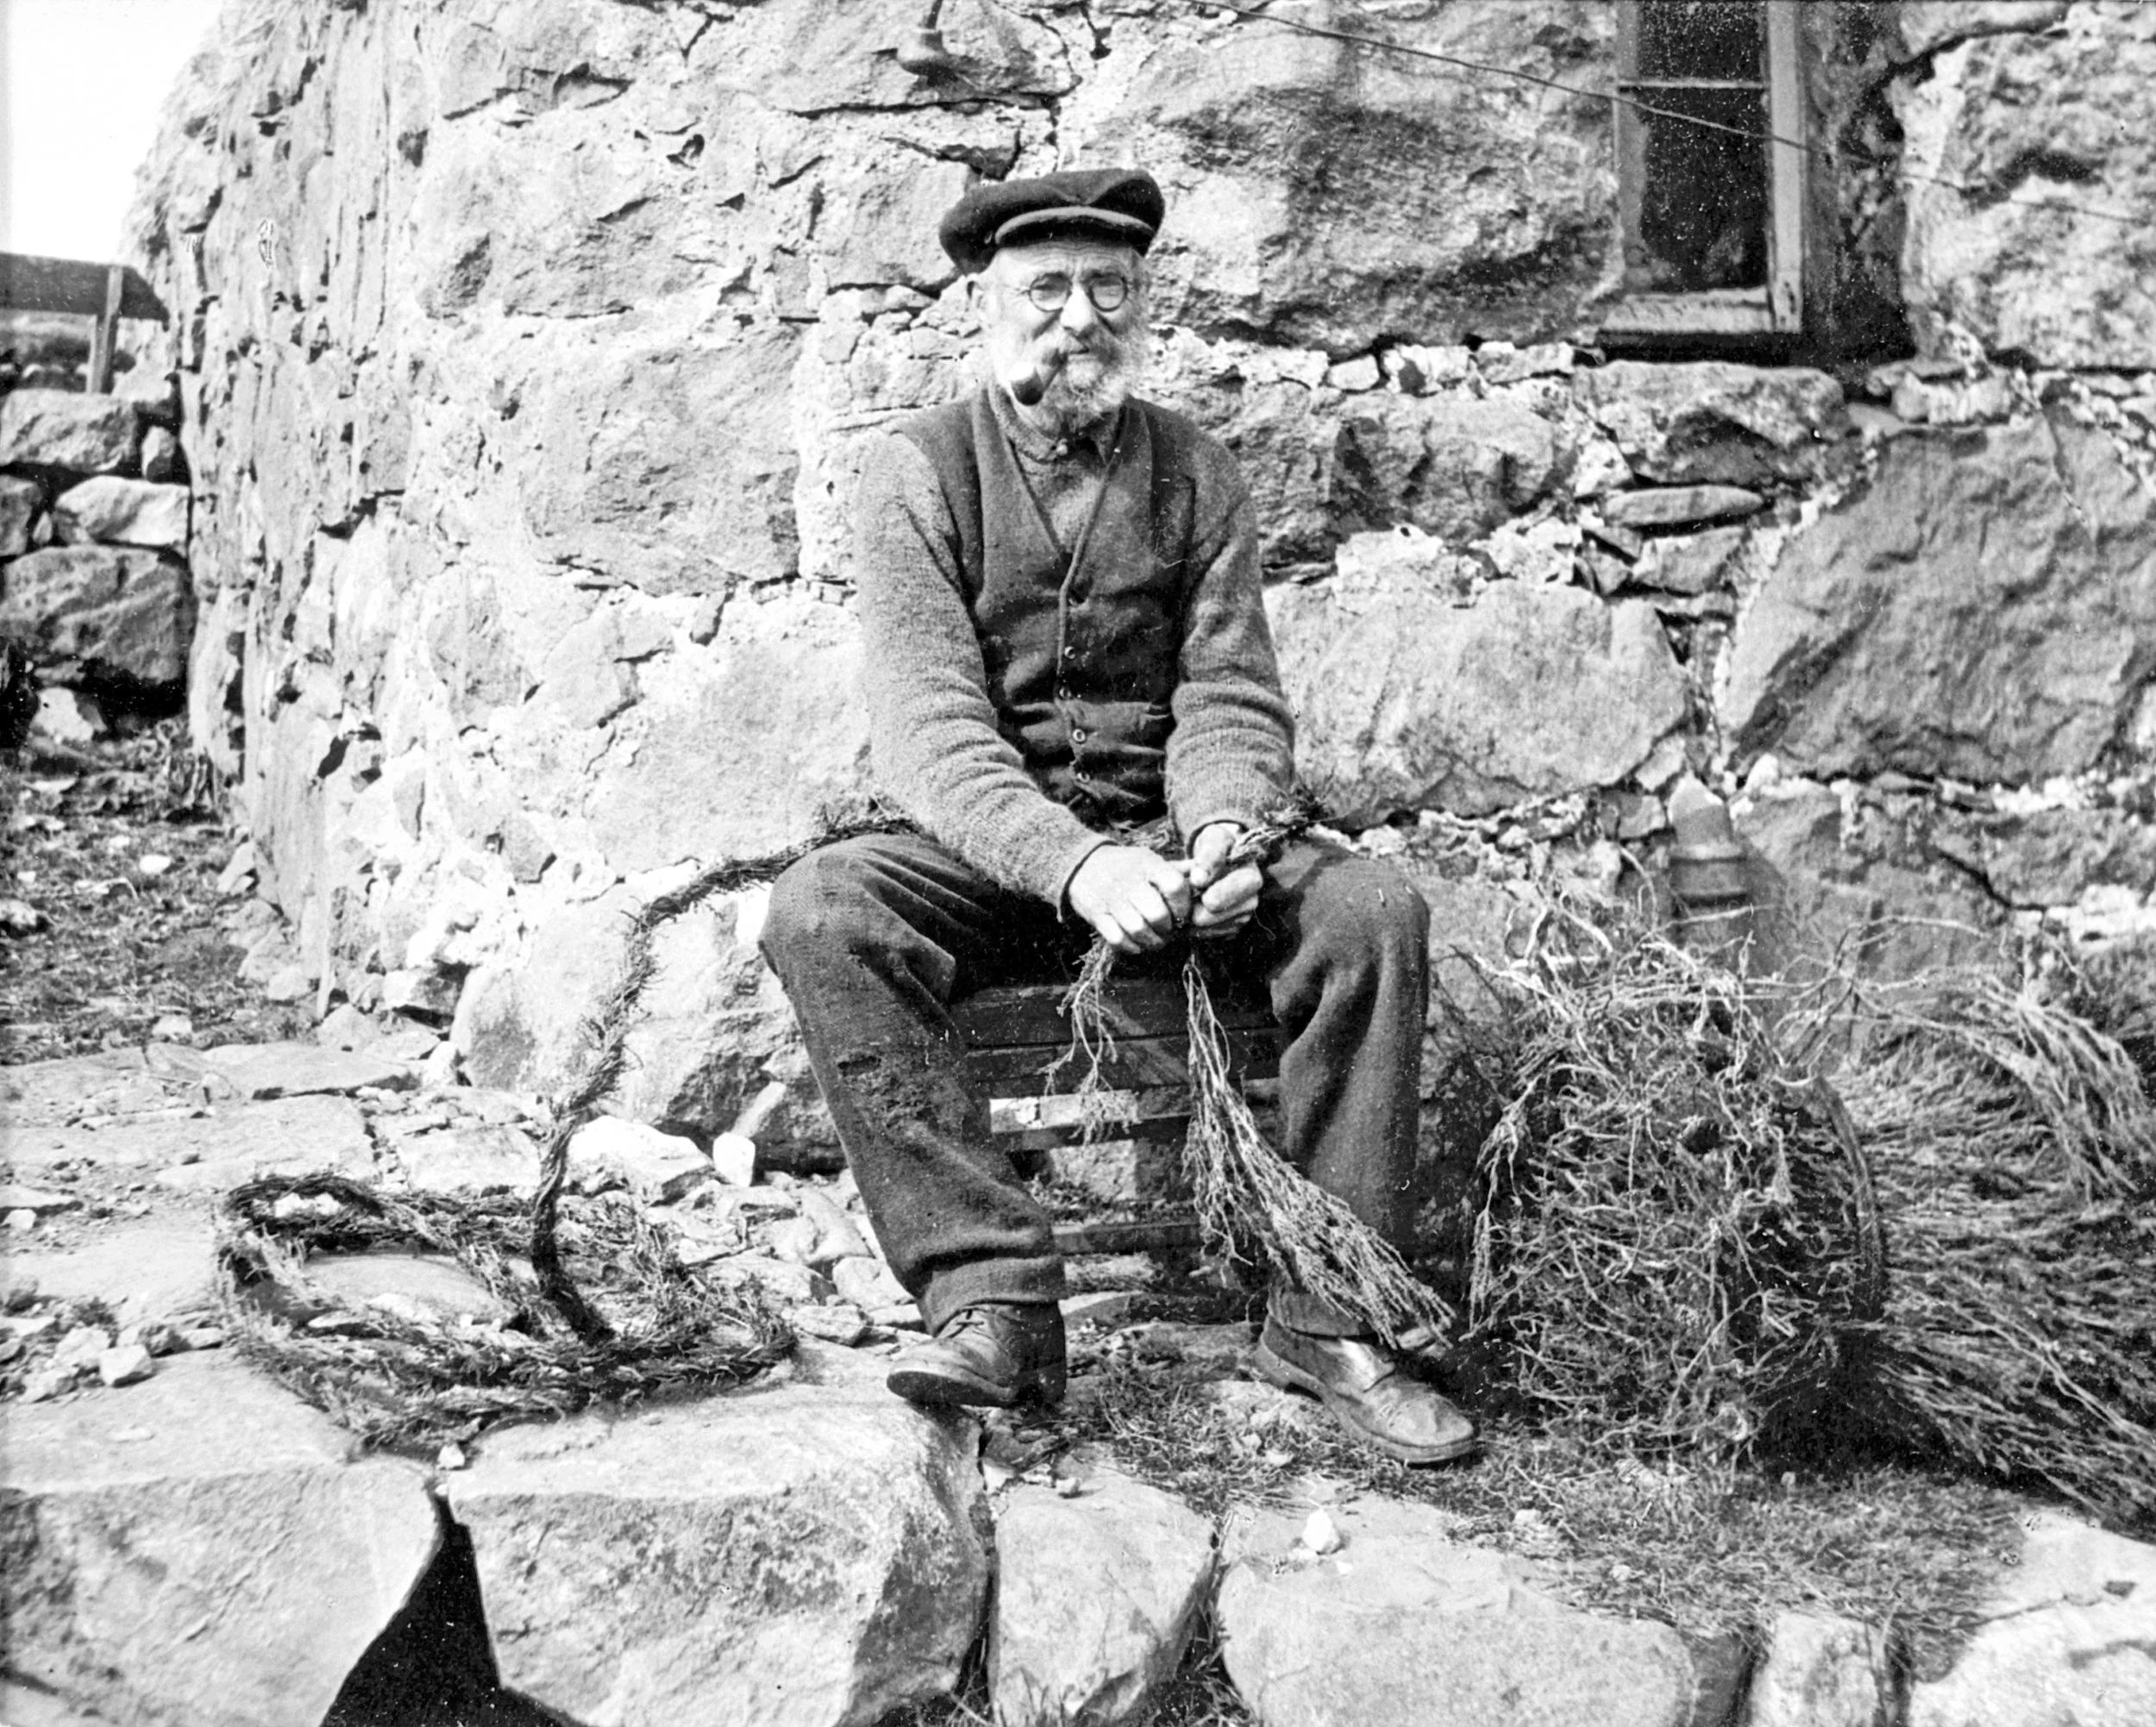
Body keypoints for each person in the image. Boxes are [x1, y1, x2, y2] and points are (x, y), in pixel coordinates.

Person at [761, 168, 1472, 1464]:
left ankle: (1331, 1315)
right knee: (825, 911)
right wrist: (1076, 866)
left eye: (1108, 288)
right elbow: (932, 734)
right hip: (1006, 857)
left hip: (1171, 851)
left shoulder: (1194, 470)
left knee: (1372, 912)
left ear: (1138, 305)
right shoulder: (917, 474)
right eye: (1046, 288)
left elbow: (1229, 693)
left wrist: (1226, 835)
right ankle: (993, 1303)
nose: (1078, 318)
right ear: (985, 305)